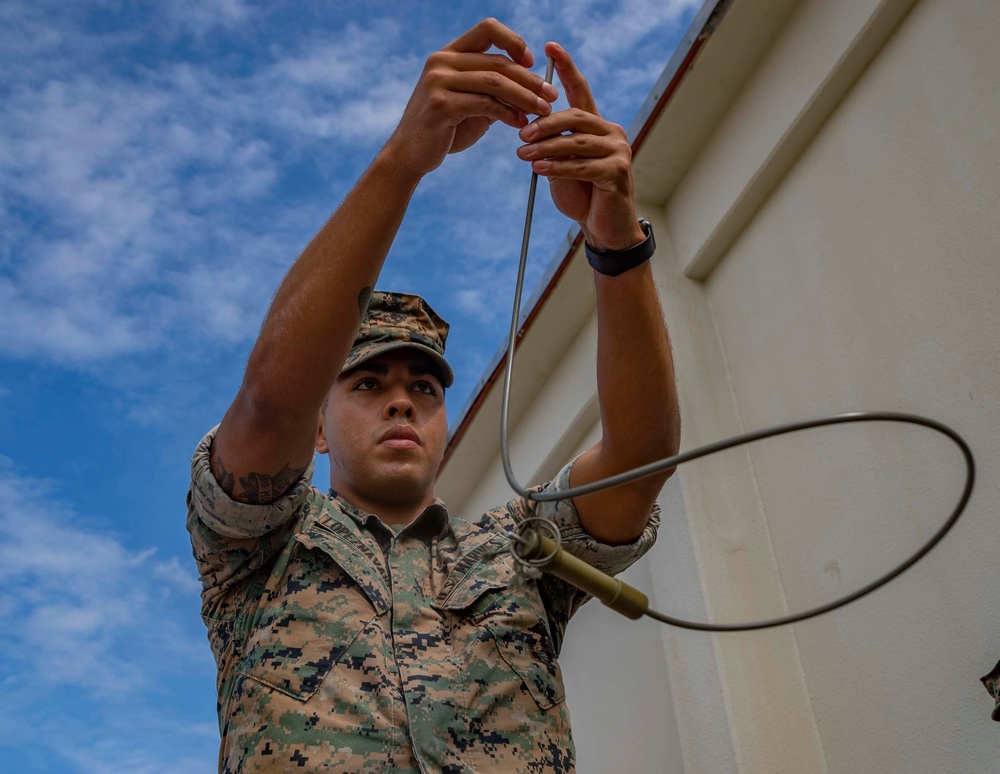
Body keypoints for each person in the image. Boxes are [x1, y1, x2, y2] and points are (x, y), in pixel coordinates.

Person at [187, 18, 681, 774]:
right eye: (366, 383)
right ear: (319, 430)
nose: (400, 402)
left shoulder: (518, 555)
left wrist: (616, 239)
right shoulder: (259, 552)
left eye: (423, 386)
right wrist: (403, 161)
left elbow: (639, 461)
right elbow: (267, 405)